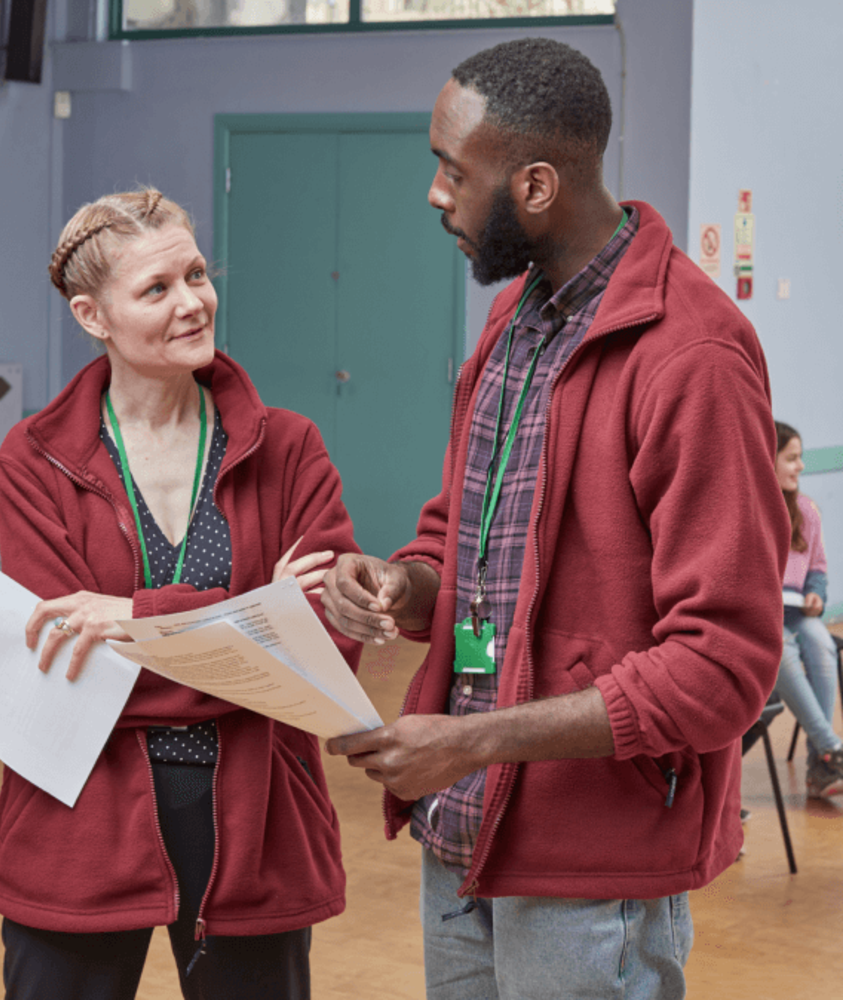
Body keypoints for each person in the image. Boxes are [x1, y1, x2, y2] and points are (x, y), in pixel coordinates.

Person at [321, 38, 788, 1000]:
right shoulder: (517, 322)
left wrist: (475, 738)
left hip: (590, 870)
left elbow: (726, 668)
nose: (436, 194)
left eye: (455, 171)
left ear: (534, 184)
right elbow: (468, 545)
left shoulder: (692, 357)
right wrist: (403, 583)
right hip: (463, 832)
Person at [0, 188, 361, 1000]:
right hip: (79, 828)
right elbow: (66, 669)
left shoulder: (290, 448)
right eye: (157, 290)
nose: (194, 302)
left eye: (196, 273)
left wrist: (131, 619)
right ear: (94, 316)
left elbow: (325, 657)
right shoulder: (32, 460)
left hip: (255, 828)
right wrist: (251, 626)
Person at [773, 420, 843, 797]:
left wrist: (817, 593)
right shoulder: (753, 510)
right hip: (766, 615)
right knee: (782, 651)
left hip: (800, 610)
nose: (801, 466)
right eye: (792, 458)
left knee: (821, 643)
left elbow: (817, 566)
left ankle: (822, 760)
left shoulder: (807, 509)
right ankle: (830, 749)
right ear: (768, 460)